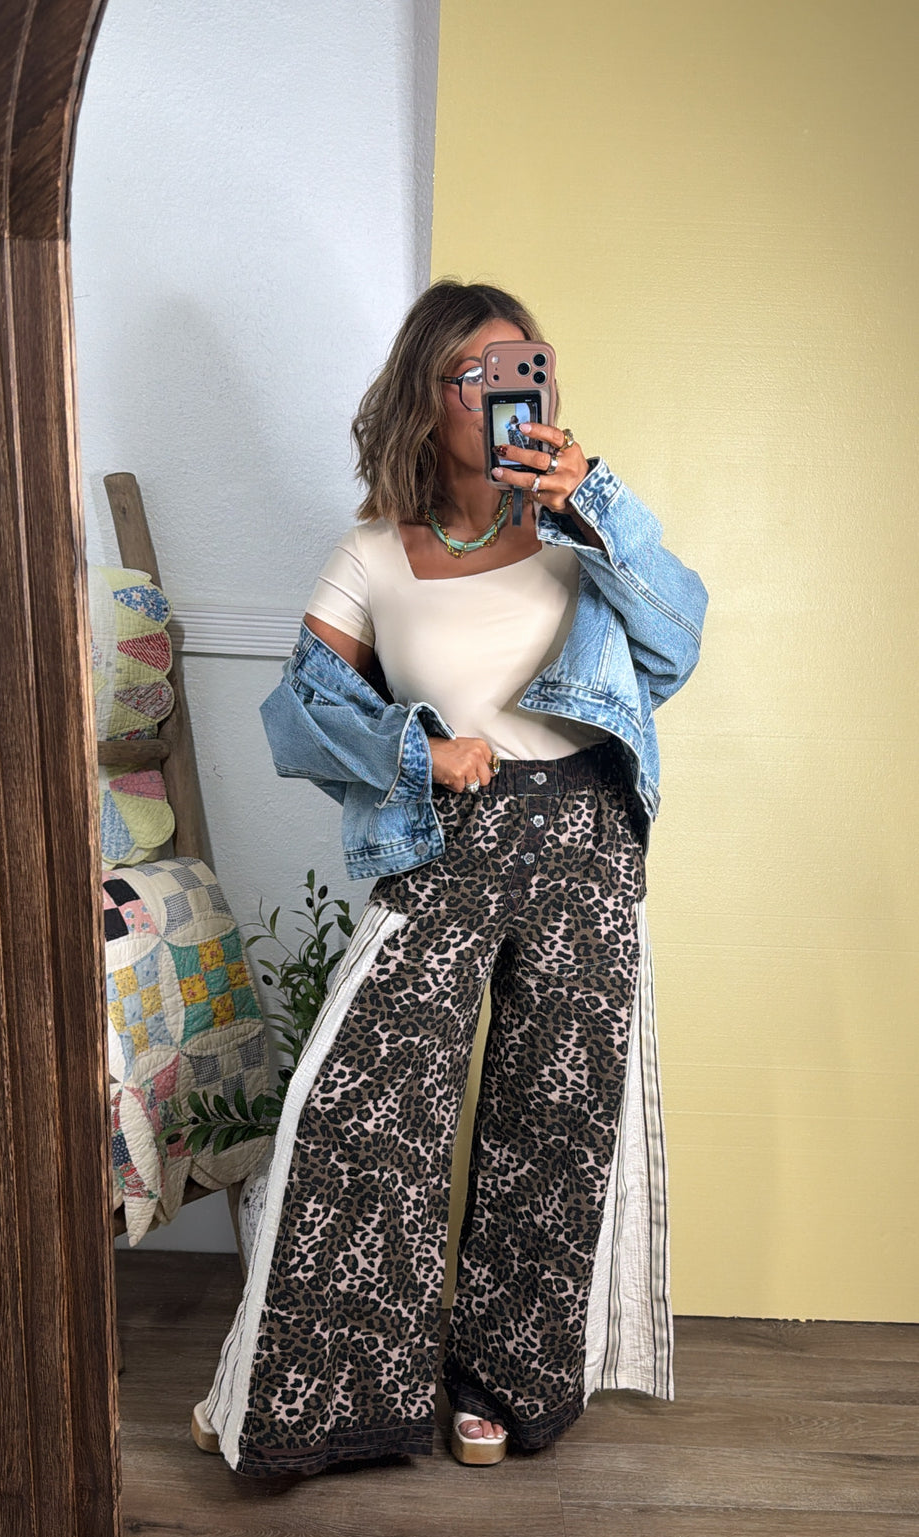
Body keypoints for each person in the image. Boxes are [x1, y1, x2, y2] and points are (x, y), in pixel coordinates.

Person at [194, 279, 708, 1476]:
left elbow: (676, 642)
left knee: (553, 1122)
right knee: (360, 1108)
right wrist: (413, 752)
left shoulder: (586, 536)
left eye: (526, 364)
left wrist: (592, 500)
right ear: (426, 400)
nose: (507, 389)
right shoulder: (374, 553)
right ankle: (322, 1395)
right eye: (477, 373)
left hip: (583, 842)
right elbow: (295, 712)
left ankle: (500, 1385)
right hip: (447, 839)